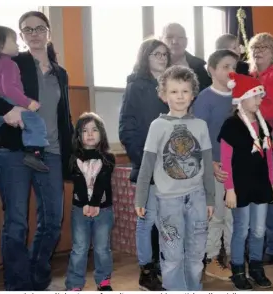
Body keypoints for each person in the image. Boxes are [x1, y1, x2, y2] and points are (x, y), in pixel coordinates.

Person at [0, 11, 73, 291]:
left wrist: (72, 154)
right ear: (22, 36)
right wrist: (7, 110)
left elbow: (65, 118)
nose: (35, 34)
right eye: (28, 30)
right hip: (12, 151)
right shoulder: (12, 61)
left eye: (40, 28)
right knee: (16, 224)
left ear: (49, 32)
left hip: (50, 152)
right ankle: (17, 285)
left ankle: (36, 280)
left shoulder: (61, 73)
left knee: (52, 222)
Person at [134, 65, 215, 291]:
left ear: (193, 94)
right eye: (174, 91)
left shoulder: (200, 125)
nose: (180, 96)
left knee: (196, 255)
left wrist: (210, 198)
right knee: (172, 256)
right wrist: (140, 198)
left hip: (197, 198)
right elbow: (147, 165)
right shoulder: (157, 126)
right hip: (168, 201)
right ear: (163, 95)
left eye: (185, 91)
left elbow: (207, 165)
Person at [119, 38, 170, 291]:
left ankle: (163, 265)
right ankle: (146, 270)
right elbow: (126, 128)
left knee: (166, 219)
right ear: (145, 56)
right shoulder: (136, 86)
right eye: (156, 53)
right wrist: (145, 160)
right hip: (148, 165)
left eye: (164, 54)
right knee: (147, 219)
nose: (161, 58)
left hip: (172, 168)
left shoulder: (174, 86)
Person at [218, 72, 273, 290]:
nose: (260, 100)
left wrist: (271, 184)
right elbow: (225, 159)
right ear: (242, 97)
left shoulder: (263, 126)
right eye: (256, 96)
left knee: (259, 229)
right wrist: (229, 189)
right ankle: (237, 269)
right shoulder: (231, 125)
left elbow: (269, 158)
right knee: (241, 229)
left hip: (261, 186)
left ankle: (256, 267)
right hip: (240, 187)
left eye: (261, 96)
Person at [0, 25, 50, 187]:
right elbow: (10, 90)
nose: (17, 44)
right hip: (8, 103)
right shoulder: (9, 64)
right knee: (35, 122)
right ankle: (33, 152)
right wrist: (28, 103)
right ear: (1, 46)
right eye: (13, 41)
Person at [192, 49, 238, 280]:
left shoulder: (239, 96)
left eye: (234, 66)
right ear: (211, 70)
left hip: (236, 166)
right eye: (225, 66)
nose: (231, 71)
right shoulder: (204, 98)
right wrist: (210, 164)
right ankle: (211, 259)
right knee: (217, 215)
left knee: (234, 214)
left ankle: (232, 257)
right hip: (216, 167)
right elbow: (199, 137)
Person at [247, 32, 273, 264]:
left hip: (267, 139)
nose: (258, 51)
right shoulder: (252, 75)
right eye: (254, 48)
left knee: (264, 194)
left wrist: (247, 110)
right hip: (253, 138)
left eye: (264, 48)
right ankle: (267, 244)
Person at [65, 112, 116, 291]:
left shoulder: (108, 158)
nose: (90, 134)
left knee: (102, 248)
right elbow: (78, 182)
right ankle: (74, 284)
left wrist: (94, 204)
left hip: (103, 210)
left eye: (94, 130)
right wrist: (86, 204)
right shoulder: (73, 158)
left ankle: (103, 281)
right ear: (78, 135)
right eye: (85, 130)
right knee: (79, 248)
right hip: (80, 210)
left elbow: (102, 181)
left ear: (101, 133)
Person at [161, 23, 212, 92]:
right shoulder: (154, 66)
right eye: (169, 37)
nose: (175, 41)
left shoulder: (198, 66)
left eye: (180, 37)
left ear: (186, 41)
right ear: (161, 40)